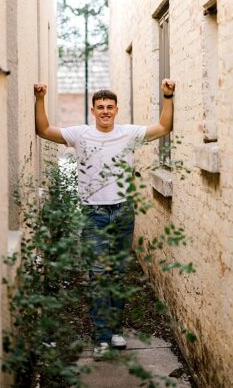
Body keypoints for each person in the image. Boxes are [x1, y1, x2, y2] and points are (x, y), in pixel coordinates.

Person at [33, 81, 176, 356]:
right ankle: (101, 337)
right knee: (99, 276)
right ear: (93, 110)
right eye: (100, 108)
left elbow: (163, 127)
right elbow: (44, 130)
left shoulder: (128, 133)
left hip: (123, 211)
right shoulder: (81, 134)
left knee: (118, 275)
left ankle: (116, 331)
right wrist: (40, 98)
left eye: (110, 107)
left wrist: (167, 95)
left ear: (116, 109)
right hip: (93, 214)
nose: (105, 112)